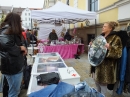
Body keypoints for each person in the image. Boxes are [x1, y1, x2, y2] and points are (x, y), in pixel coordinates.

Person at [90, 21, 122, 96]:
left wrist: (110, 48)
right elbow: (96, 50)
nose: (102, 27)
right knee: (97, 84)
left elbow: (118, 53)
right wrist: (93, 45)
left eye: (104, 26)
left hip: (105, 68)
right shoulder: (100, 37)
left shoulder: (116, 38)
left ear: (110, 28)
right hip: (96, 64)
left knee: (103, 88)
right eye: (103, 26)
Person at [0, 12, 27, 97]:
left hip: (14, 66)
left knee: (14, 91)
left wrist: (22, 48)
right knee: (14, 92)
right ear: (15, 21)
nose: (21, 23)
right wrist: (21, 48)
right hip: (12, 68)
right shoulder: (5, 32)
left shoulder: (11, 31)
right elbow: (9, 46)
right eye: (20, 21)